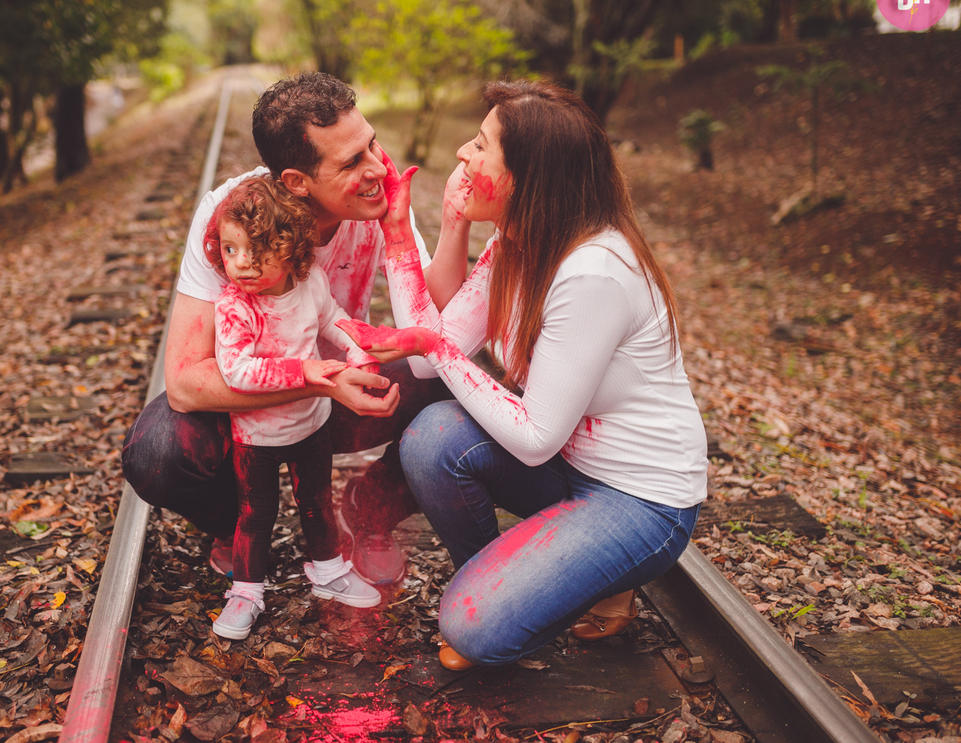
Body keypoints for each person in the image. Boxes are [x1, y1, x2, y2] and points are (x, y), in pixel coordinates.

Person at [338, 80, 707, 669]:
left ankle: (538, 592)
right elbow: (426, 358)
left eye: (481, 146)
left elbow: (533, 436)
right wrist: (399, 230)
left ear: (527, 180)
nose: (462, 153)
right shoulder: (518, 243)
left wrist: (436, 346)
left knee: (471, 628)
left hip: (638, 499)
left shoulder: (593, 274)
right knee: (433, 437)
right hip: (569, 468)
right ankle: (506, 581)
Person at [121, 73, 471, 586]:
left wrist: (437, 223)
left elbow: (435, 331)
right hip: (248, 406)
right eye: (351, 163)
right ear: (296, 182)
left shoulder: (374, 201)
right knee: (156, 454)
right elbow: (185, 383)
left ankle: (369, 511)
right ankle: (236, 522)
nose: (377, 168)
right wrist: (319, 380)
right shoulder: (231, 218)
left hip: (335, 403)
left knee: (457, 381)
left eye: (372, 143)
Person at [205, 177, 382, 639]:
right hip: (256, 437)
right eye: (230, 250)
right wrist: (304, 371)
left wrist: (357, 349)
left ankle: (329, 571)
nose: (240, 264)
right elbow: (237, 372)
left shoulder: (310, 283)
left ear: (289, 249)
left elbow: (333, 319)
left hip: (311, 426)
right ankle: (246, 591)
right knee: (255, 514)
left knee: (317, 501)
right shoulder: (235, 307)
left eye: (256, 251)